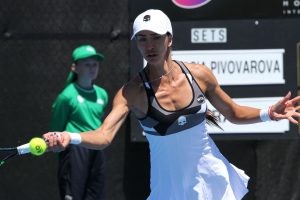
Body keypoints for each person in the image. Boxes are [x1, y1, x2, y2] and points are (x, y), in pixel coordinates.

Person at [44, 9, 300, 200]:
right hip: (169, 189)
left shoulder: (199, 75)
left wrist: (268, 113)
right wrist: (70, 136)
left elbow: (232, 113)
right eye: (142, 39)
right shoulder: (131, 92)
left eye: (155, 37)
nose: (149, 45)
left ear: (169, 39)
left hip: (212, 178)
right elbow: (104, 135)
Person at [49, 45, 109, 200]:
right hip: (75, 150)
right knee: (73, 196)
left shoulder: (102, 94)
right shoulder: (67, 96)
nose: (92, 68)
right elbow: (56, 126)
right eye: (87, 64)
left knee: (95, 194)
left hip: (97, 148)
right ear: (75, 67)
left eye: (95, 64)